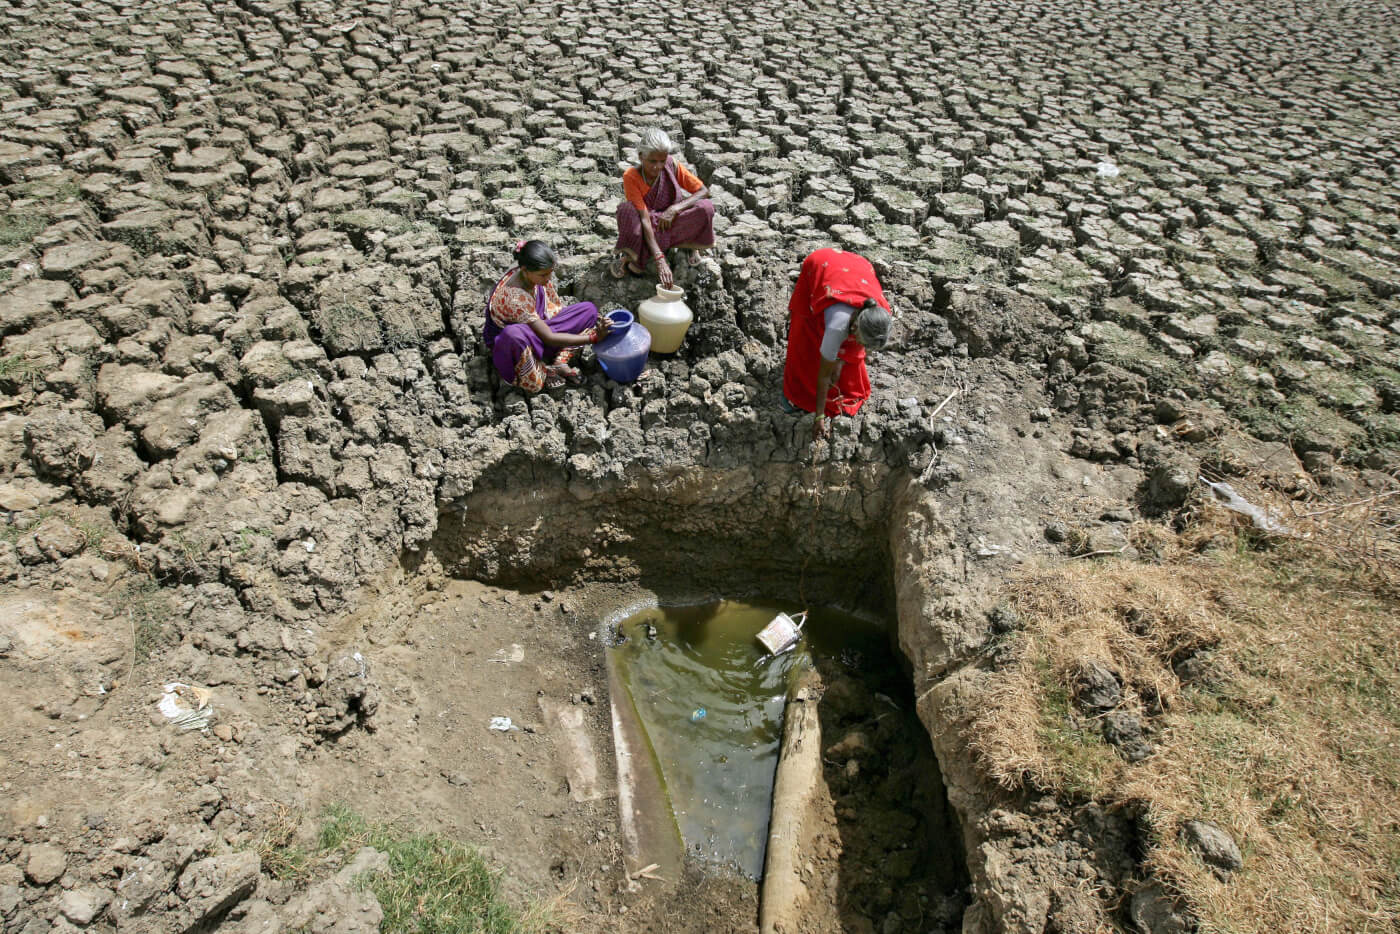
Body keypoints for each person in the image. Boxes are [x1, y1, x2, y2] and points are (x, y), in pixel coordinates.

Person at [781, 248, 894, 441]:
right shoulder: (837, 325)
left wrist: (840, 362)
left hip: (857, 268)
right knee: (805, 344)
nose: (860, 346)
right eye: (860, 340)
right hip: (820, 265)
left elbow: (855, 346)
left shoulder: (879, 314)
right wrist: (819, 416)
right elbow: (824, 377)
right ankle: (796, 393)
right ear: (855, 325)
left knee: (842, 363)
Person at [484, 239, 610, 392]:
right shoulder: (515, 297)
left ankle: (559, 361)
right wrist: (594, 338)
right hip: (517, 344)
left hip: (537, 326)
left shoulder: (526, 272)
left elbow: (546, 319)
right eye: (543, 275)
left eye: (550, 273)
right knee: (513, 335)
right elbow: (548, 337)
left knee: (589, 310)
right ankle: (543, 371)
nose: (548, 279)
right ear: (525, 270)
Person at [611, 127, 715, 288]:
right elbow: (645, 219)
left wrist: (675, 209)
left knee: (705, 208)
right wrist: (660, 259)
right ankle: (636, 253)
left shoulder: (671, 164)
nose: (658, 166)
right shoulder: (631, 177)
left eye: (662, 160)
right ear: (641, 156)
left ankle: (686, 245)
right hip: (651, 225)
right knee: (626, 211)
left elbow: (703, 191)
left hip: (671, 221)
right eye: (652, 161)